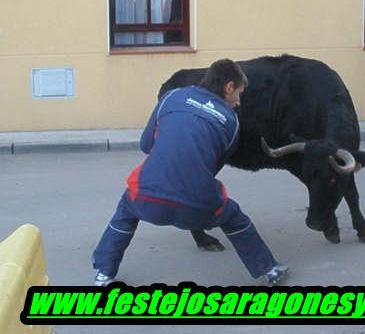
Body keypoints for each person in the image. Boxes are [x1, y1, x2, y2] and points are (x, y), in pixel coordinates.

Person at [91, 59, 289, 286]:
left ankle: (104, 274)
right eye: (239, 94)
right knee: (235, 219)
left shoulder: (172, 97)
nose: (238, 102)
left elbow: (146, 145)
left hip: (147, 200)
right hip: (198, 208)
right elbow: (211, 166)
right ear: (229, 87)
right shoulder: (232, 121)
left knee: (125, 211)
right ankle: (270, 270)